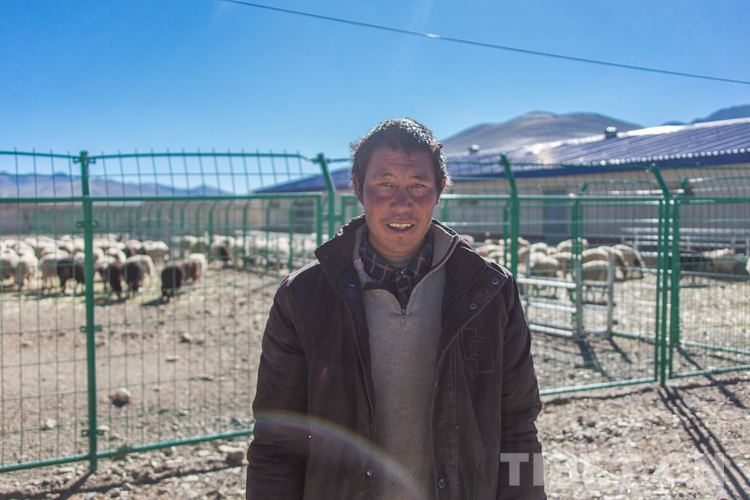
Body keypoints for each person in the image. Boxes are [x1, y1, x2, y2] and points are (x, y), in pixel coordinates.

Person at [246, 118, 545, 499]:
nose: (402, 203)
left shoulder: (490, 291)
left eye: (418, 185)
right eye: (384, 183)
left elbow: (518, 425)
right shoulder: (304, 297)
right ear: (358, 188)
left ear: (439, 189)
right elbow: (276, 439)